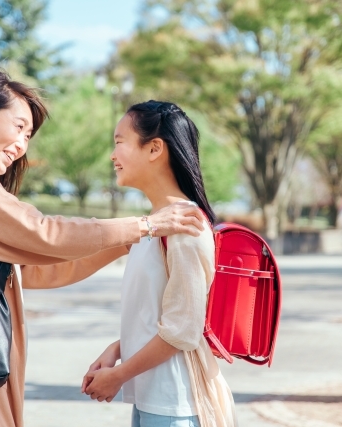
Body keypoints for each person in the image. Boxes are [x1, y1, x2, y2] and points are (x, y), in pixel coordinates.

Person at [0, 72, 205, 427]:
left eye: (28, 135)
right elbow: (44, 232)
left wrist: (127, 240)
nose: (22, 144)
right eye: (18, 126)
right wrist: (144, 226)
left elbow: (32, 270)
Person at [82, 101, 237, 427]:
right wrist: (117, 348)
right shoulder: (156, 224)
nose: (113, 154)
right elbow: (161, 317)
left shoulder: (186, 226)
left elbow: (182, 330)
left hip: (177, 404)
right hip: (155, 402)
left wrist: (118, 376)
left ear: (154, 148)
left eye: (120, 141)